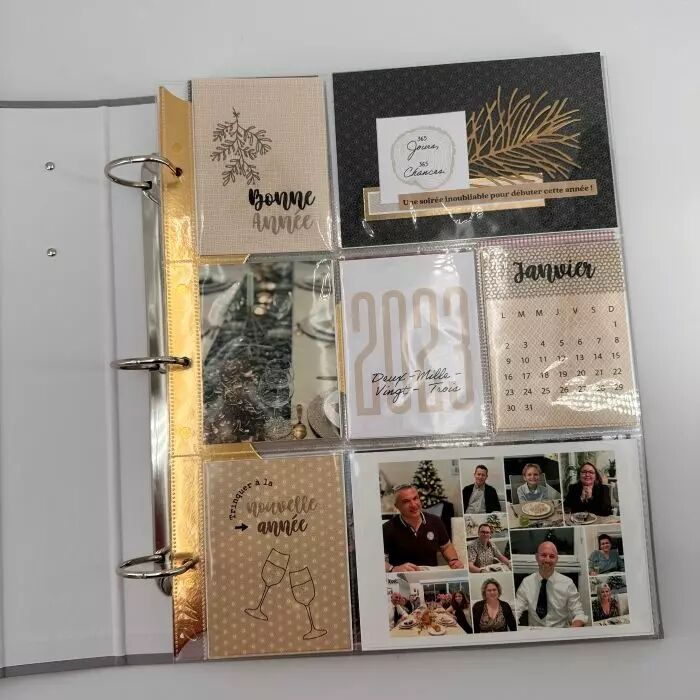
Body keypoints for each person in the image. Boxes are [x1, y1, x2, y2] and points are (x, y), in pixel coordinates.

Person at [383, 485, 465, 572]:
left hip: (430, 576)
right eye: (406, 501)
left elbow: (446, 547)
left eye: (415, 498)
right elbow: (376, 558)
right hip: (402, 577)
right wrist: (393, 568)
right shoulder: (388, 528)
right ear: (397, 506)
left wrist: (453, 560)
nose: (413, 505)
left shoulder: (436, 521)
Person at [515, 540, 588, 627]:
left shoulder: (567, 583)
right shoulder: (526, 582)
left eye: (552, 556)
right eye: (543, 555)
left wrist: (573, 628)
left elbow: (579, 613)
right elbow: (516, 610)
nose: (547, 560)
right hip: (535, 632)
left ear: (556, 560)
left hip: (560, 631)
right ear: (536, 557)